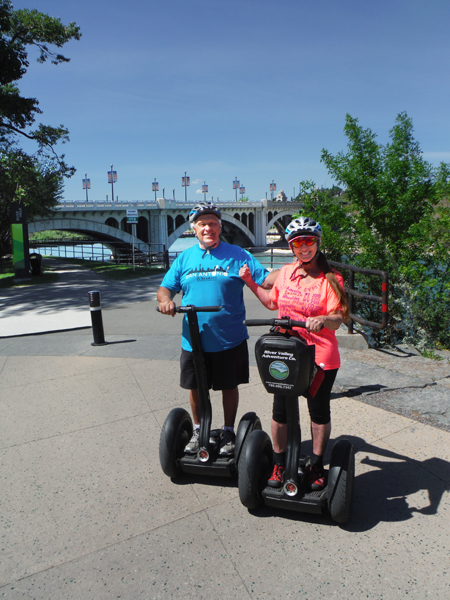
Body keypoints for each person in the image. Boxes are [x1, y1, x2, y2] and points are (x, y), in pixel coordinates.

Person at [157, 201, 277, 457]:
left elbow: (265, 280)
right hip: (193, 340)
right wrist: (165, 301)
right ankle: (199, 429)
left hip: (229, 338)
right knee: (195, 387)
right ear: (194, 228)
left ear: (220, 227)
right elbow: (166, 287)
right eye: (202, 224)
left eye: (212, 223)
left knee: (228, 386)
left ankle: (229, 431)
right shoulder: (184, 258)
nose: (208, 228)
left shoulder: (238, 255)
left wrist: (294, 269)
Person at [239, 216, 349, 490]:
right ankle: (279, 462)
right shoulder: (287, 273)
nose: (304, 247)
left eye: (309, 241)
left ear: (317, 243)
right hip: (285, 352)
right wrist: (250, 281)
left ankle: (315, 465)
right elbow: (270, 302)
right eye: (298, 242)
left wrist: (323, 318)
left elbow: (339, 318)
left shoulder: (331, 279)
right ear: (291, 246)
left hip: (319, 355)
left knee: (318, 411)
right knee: (280, 411)